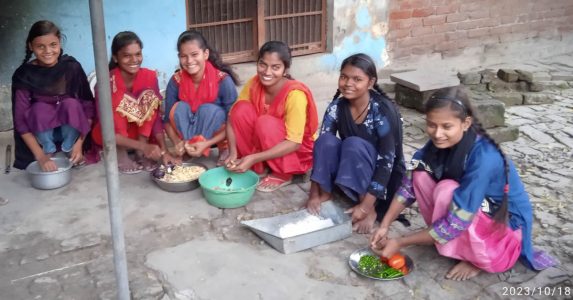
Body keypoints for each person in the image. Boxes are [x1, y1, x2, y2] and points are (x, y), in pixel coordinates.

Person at [370, 86, 558, 280]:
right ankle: (448, 241)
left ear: (466, 123)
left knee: (446, 190)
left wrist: (400, 242)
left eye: (446, 126)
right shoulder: (437, 144)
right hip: (470, 211)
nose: (437, 133)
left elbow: (457, 221)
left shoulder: (484, 156)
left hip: (505, 225)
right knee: (420, 175)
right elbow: (408, 187)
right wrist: (384, 225)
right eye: (432, 125)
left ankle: (476, 257)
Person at [304, 53, 406, 234]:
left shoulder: (381, 111)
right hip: (353, 166)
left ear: (370, 82)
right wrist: (313, 193)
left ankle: (370, 208)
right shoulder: (337, 107)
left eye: (357, 79)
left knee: (353, 144)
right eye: (344, 77)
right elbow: (322, 150)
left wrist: (366, 207)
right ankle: (325, 192)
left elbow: (387, 163)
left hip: (381, 177)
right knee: (325, 140)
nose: (348, 83)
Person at [224, 41, 319, 192]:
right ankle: (259, 168)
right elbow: (231, 119)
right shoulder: (254, 83)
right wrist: (233, 152)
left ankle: (283, 173)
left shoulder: (295, 95)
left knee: (265, 123)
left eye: (275, 67)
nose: (267, 72)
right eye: (263, 64)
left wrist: (254, 157)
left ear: (285, 70)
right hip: (266, 143)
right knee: (240, 110)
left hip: (297, 152)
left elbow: (294, 143)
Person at [12, 20, 95, 171]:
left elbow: (88, 107)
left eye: (53, 45)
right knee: (39, 109)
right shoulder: (24, 74)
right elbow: (20, 122)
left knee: (71, 104)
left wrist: (79, 144)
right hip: (42, 136)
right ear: (31, 46)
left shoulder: (71, 67)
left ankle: (69, 149)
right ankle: (48, 151)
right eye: (40, 46)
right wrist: (40, 157)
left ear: (60, 43)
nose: (48, 51)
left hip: (71, 132)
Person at [91, 31, 172, 174]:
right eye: (127, 56)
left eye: (138, 54)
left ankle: (140, 152)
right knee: (118, 98)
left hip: (139, 134)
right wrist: (143, 146)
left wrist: (164, 151)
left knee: (149, 97)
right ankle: (120, 152)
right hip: (111, 134)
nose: (134, 60)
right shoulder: (106, 82)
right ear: (116, 58)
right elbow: (105, 125)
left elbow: (155, 116)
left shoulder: (149, 76)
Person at [163, 30, 239, 163]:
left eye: (194, 55)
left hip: (218, 136)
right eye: (183, 56)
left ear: (205, 54)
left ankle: (224, 148)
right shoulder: (176, 81)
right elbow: (167, 121)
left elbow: (234, 123)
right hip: (188, 134)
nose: (189, 61)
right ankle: (189, 147)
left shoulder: (223, 80)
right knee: (178, 108)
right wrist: (176, 142)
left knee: (209, 110)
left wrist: (207, 143)